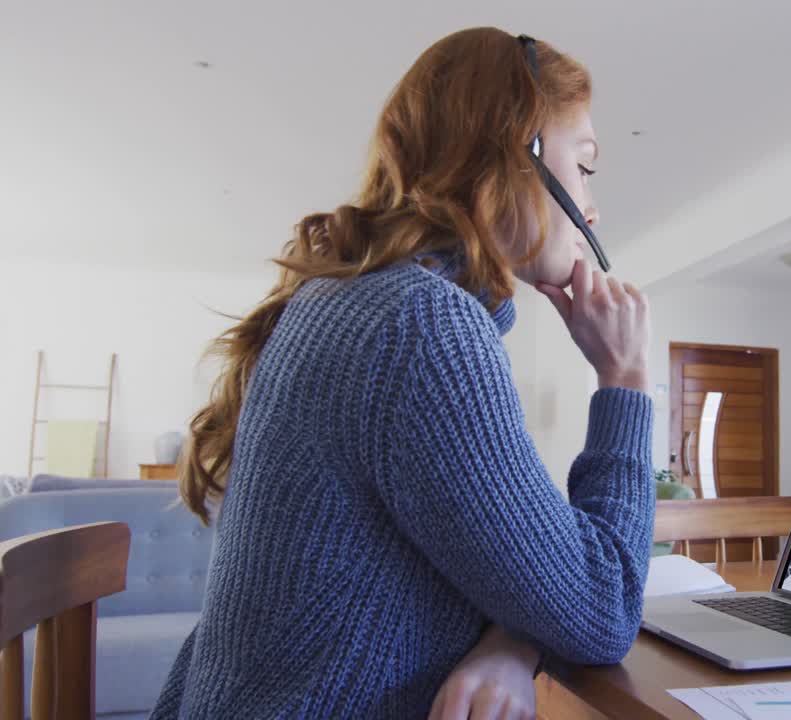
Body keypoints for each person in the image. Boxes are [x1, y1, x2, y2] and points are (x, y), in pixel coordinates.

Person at [153, 28, 654, 720]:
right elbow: (603, 608)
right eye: (586, 165)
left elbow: (520, 563)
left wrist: (512, 641)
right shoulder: (422, 329)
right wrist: (624, 380)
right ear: (521, 153)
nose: (592, 206)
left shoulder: (363, 302)